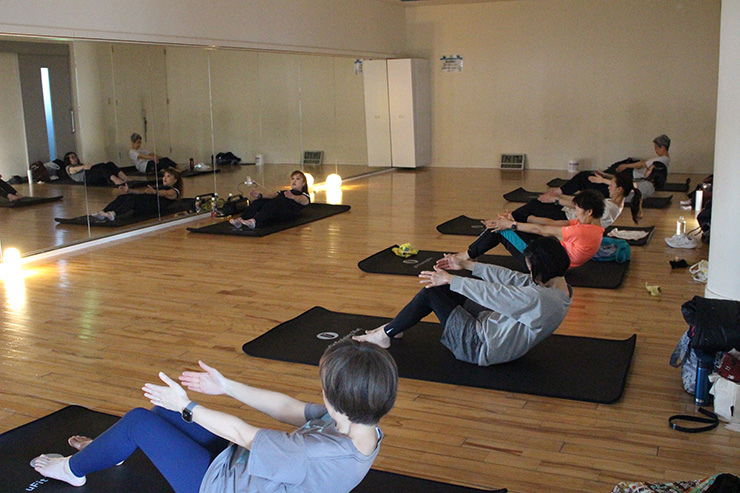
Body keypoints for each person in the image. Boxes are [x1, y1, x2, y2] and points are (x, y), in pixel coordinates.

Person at [31, 338, 398, 492]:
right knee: (162, 412)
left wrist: (188, 405)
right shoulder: (360, 422)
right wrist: (226, 386)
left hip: (221, 486)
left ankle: (71, 470)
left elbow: (243, 433)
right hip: (244, 464)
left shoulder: (316, 452)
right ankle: (110, 451)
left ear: (338, 400)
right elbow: (288, 408)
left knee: (140, 421)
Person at [355, 236, 572, 366]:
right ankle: (397, 327)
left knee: (432, 293)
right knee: (447, 288)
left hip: (481, 346)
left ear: (542, 269)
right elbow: (512, 278)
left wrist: (450, 279)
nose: (529, 273)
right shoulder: (560, 287)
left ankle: (385, 335)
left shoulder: (542, 300)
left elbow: (495, 294)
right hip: (495, 332)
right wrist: (467, 265)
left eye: (531, 268)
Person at [454, 189, 605, 271]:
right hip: (552, 259)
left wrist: (510, 225)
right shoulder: (592, 228)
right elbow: (552, 222)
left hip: (540, 265)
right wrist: (517, 217)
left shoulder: (582, 232)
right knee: (510, 224)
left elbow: (542, 230)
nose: (575, 213)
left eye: (577, 209)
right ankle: (471, 254)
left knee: (500, 229)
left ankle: (467, 255)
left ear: (589, 212)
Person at [553, 134, 670, 199]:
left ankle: (559, 192)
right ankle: (560, 192)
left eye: (649, 169)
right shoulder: (646, 181)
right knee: (587, 176)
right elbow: (625, 182)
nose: (646, 170)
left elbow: (627, 185)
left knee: (584, 177)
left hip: (614, 193)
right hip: (614, 189)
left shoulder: (647, 186)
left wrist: (603, 180)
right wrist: (606, 175)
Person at [513, 170, 642, 226]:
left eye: (611, 185)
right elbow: (579, 202)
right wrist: (558, 196)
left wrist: (555, 199)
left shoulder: (610, 208)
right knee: (536, 204)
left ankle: (512, 220)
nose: (608, 187)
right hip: (570, 213)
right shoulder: (612, 202)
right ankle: (513, 219)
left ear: (619, 190)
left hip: (569, 218)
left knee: (533, 206)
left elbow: (579, 205)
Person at [90, 168, 183, 221]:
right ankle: (104, 212)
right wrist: (129, 190)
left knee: (133, 200)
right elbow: (142, 192)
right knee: (124, 196)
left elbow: (166, 193)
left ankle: (113, 214)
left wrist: (154, 192)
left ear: (175, 180)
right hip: (146, 202)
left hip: (151, 207)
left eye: (168, 176)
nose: (164, 178)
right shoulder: (160, 187)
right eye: (164, 176)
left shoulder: (175, 191)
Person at [229, 170, 310, 229]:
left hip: (285, 213)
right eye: (292, 178)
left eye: (297, 179)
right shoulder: (285, 191)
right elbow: (272, 195)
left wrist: (293, 197)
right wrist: (260, 195)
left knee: (273, 203)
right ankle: (241, 219)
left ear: (303, 183)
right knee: (259, 202)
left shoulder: (303, 195)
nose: (294, 181)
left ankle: (254, 221)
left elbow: (304, 201)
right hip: (276, 207)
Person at [63, 151, 128, 187]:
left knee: (109, 164)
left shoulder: (80, 164)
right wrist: (83, 167)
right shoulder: (68, 167)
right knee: (101, 166)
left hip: (90, 175)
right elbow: (73, 170)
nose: (75, 158)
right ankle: (116, 180)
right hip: (86, 178)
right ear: (68, 160)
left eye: (75, 156)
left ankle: (124, 177)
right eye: (72, 157)